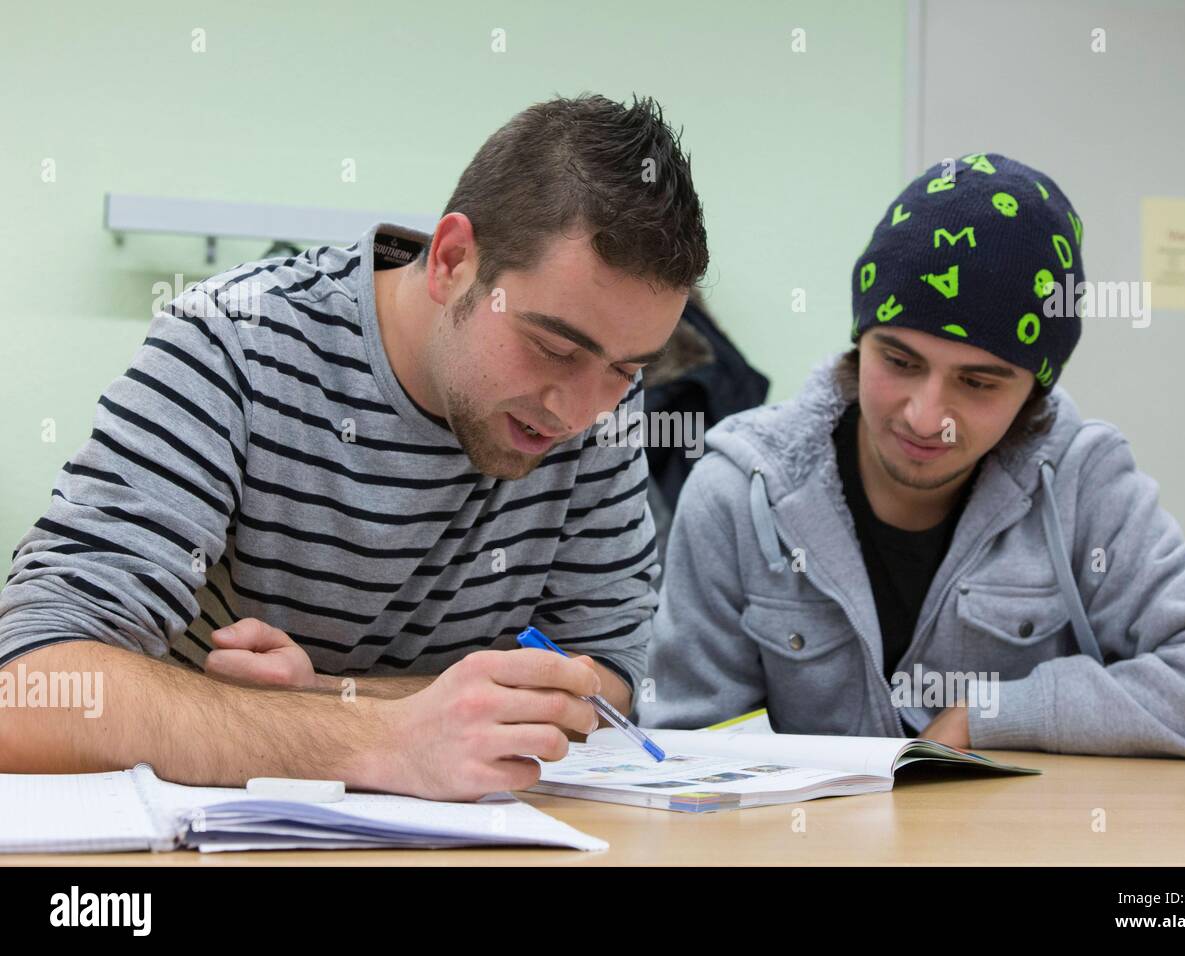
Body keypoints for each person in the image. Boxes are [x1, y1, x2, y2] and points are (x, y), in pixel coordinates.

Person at [0, 93, 710, 800]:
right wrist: (379, 740)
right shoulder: (234, 343)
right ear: (453, 260)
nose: (580, 413)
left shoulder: (596, 404)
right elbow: (32, 685)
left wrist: (332, 693)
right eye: (553, 347)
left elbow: (604, 679)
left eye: (626, 369)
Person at [638, 153, 1185, 760]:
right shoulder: (736, 487)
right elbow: (686, 753)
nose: (926, 417)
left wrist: (992, 713)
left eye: (978, 383)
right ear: (858, 341)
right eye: (898, 360)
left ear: (1033, 393)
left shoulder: (1082, 482)